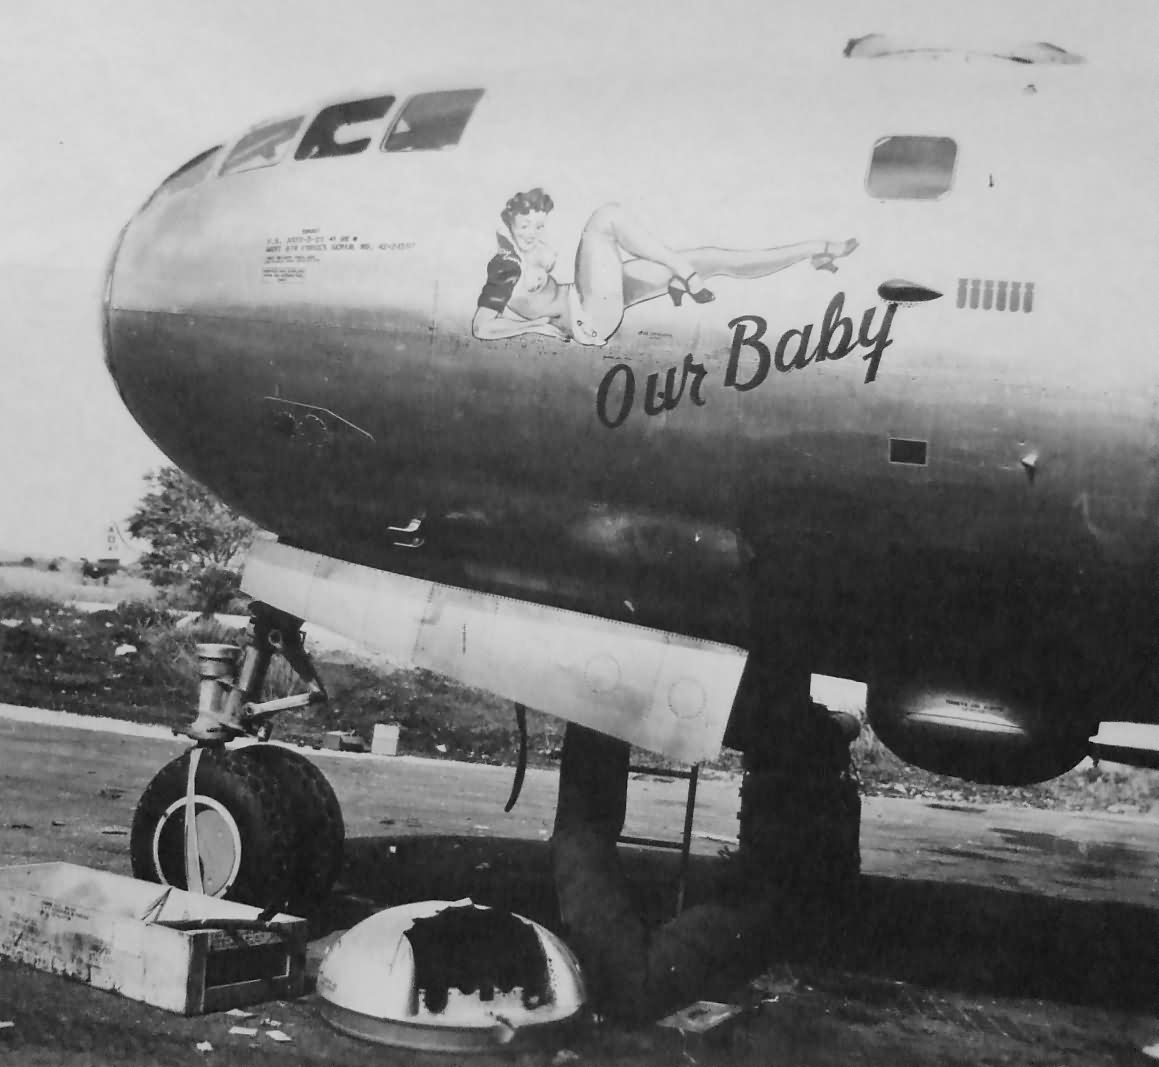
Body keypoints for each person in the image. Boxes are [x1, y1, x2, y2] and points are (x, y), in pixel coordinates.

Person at [472, 188, 858, 347]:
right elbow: (482, 327)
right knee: (606, 219)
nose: (533, 234)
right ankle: (682, 275)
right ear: (508, 224)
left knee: (709, 258)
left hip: (588, 296)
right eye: (525, 227)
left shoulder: (532, 251)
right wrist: (535, 326)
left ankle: (816, 250)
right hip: (585, 319)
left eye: (539, 226)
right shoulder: (504, 268)